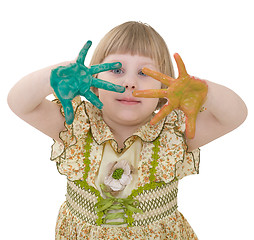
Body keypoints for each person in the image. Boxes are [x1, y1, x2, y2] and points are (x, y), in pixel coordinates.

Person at [7, 21, 247, 239]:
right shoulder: (75, 124)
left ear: (165, 85)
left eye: (144, 73)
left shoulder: (174, 132)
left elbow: (234, 116)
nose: (129, 83)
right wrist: (58, 74)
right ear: (92, 78)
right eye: (117, 70)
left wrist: (204, 91)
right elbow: (20, 103)